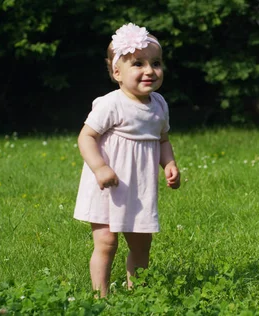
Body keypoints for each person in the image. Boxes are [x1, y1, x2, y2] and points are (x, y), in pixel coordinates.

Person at [73, 22, 180, 297]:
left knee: (142, 244)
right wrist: (99, 167)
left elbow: (162, 139)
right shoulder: (112, 103)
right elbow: (86, 137)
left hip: (139, 189)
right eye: (138, 64)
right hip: (108, 185)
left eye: (156, 63)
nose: (149, 70)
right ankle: (101, 296)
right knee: (106, 243)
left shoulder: (159, 105)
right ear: (116, 72)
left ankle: (138, 294)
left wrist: (168, 164)